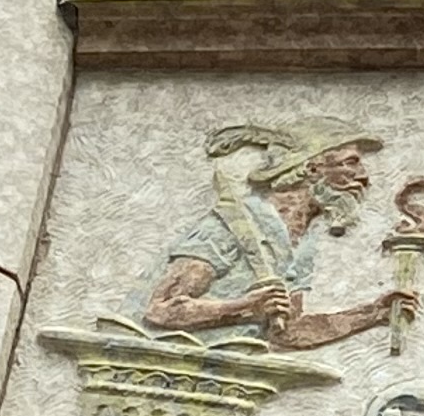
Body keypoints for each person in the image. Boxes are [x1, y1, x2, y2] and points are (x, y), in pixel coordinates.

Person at [147, 117, 405, 351]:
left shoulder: (301, 244)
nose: (364, 178)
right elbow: (161, 309)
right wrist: (246, 307)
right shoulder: (232, 224)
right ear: (312, 169)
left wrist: (372, 314)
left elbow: (288, 332)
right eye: (350, 163)